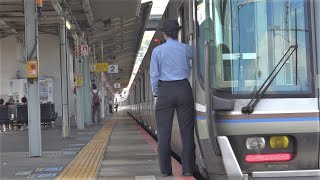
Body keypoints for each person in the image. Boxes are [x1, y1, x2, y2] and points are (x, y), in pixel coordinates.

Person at [150, 19, 195, 177]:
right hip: (183, 88)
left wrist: (157, 93)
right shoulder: (186, 49)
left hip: (164, 90)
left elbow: (154, 76)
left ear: (164, 33)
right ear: (178, 33)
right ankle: (188, 168)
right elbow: (198, 63)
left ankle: (166, 171)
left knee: (163, 133)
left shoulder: (157, 51)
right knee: (187, 131)